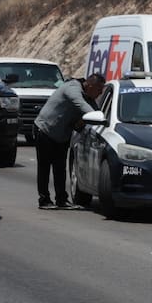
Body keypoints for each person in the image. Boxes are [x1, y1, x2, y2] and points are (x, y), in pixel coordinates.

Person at [33, 73, 105, 209]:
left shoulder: (89, 97)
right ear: (90, 85)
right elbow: (82, 105)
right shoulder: (73, 88)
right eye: (99, 90)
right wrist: (97, 117)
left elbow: (98, 114)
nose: (100, 93)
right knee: (44, 168)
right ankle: (44, 200)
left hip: (62, 135)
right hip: (45, 130)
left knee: (60, 168)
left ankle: (61, 200)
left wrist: (104, 122)